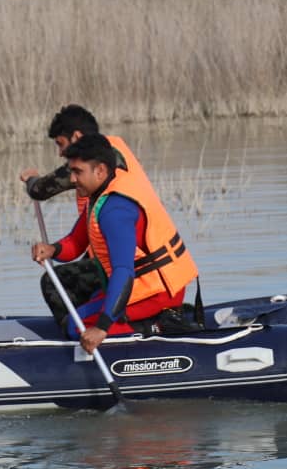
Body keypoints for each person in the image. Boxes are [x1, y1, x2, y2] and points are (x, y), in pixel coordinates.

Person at [31, 134, 199, 354]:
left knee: (76, 326)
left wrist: (101, 327)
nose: (71, 180)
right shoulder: (99, 196)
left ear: (100, 171)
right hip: (138, 287)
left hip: (156, 292)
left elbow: (123, 271)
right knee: (83, 311)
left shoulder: (115, 210)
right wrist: (52, 250)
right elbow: (76, 242)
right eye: (71, 171)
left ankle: (157, 326)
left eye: (77, 172)